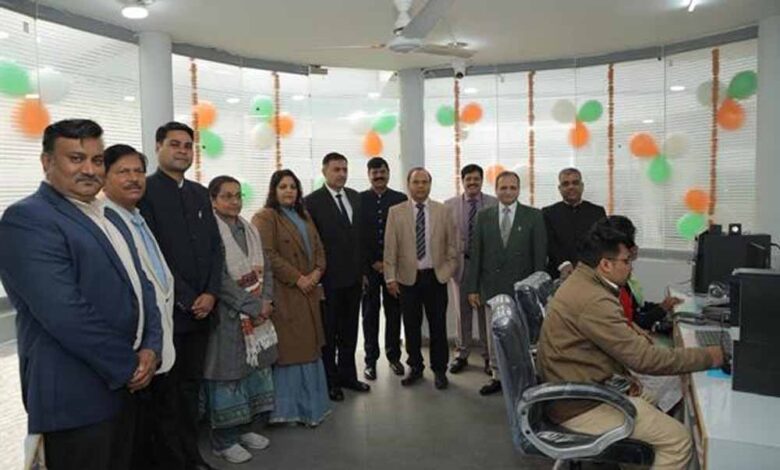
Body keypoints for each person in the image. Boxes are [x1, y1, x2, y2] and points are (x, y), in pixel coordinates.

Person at [0, 119, 161, 470]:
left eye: (97, 159)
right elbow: (66, 314)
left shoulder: (108, 215)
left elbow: (143, 284)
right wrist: (130, 365)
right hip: (77, 398)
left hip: (125, 387)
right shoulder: (27, 219)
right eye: (76, 158)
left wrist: (152, 346)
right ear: (47, 162)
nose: (89, 169)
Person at [536, 221, 724, 469]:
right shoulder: (593, 299)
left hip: (581, 390)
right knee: (678, 441)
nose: (631, 267)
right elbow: (644, 359)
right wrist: (710, 356)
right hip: (580, 406)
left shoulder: (585, 281)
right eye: (626, 261)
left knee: (662, 394)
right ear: (605, 264)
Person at [138, 121, 223, 470]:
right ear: (158, 147)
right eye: (175, 144)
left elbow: (215, 248)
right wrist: (189, 299)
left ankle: (192, 456)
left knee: (190, 390)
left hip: (204, 312)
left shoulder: (200, 193)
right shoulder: (145, 192)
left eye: (188, 146)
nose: (183, 151)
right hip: (169, 315)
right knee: (166, 395)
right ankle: (173, 461)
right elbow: (154, 254)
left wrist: (212, 293)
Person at [100, 144, 176, 470]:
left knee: (153, 433)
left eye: (138, 171)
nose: (134, 178)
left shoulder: (136, 217)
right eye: (123, 172)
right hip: (132, 351)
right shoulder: (105, 222)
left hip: (155, 344)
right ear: (103, 178)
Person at [201, 176, 275, 464]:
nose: (234, 201)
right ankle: (223, 441)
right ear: (213, 200)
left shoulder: (249, 228)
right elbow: (217, 278)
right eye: (227, 196)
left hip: (257, 317)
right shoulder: (210, 230)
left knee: (253, 373)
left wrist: (266, 300)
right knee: (227, 376)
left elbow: (266, 268)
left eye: (238, 195)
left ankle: (245, 429)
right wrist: (253, 305)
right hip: (227, 318)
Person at [253, 169, 331, 427]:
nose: (289, 191)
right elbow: (267, 255)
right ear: (273, 190)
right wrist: (298, 278)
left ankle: (312, 407)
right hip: (286, 293)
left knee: (310, 348)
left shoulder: (303, 215)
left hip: (309, 292)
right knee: (291, 351)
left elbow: (319, 248)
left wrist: (317, 272)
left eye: (293, 187)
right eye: (283, 186)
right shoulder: (266, 217)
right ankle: (288, 411)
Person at [464, 171, 547, 395]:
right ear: (496, 190)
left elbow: (539, 258)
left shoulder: (534, 216)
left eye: (512, 188)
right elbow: (476, 254)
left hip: (522, 290)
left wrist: (536, 292)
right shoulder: (483, 216)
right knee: (495, 337)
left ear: (519, 190)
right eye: (503, 188)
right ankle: (497, 377)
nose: (508, 192)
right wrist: (473, 288)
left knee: (523, 336)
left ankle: (524, 379)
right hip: (492, 287)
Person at [384, 167, 457, 390]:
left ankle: (439, 370)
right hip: (407, 280)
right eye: (416, 182)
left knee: (438, 327)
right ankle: (415, 367)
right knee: (411, 327)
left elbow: (452, 246)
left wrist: (446, 271)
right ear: (409, 185)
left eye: (425, 182)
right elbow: (390, 248)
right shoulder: (396, 212)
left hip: (435, 278)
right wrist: (390, 278)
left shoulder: (443, 211)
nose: (420, 186)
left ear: (430, 185)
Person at [304, 152, 369, 401]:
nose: (341, 174)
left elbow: (360, 238)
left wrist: (363, 272)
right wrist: (317, 278)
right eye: (336, 169)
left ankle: (348, 376)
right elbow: (312, 245)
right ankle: (330, 381)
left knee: (350, 331)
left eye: (344, 169)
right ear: (324, 172)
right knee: (329, 334)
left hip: (354, 280)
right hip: (328, 281)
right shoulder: (311, 202)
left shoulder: (355, 197)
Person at [445, 164, 497, 376]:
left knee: (486, 312)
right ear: (463, 181)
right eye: (469, 179)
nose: (473, 182)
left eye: (476, 179)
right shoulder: (449, 205)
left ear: (482, 181)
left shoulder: (494, 203)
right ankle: (462, 353)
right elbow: (445, 237)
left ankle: (488, 356)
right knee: (462, 312)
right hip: (462, 265)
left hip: (486, 267)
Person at [358, 157, 408, 380]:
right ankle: (370, 361)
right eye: (374, 173)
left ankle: (394, 357)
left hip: (394, 268)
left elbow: (404, 235)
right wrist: (371, 263)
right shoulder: (359, 200)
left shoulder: (400, 199)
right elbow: (357, 236)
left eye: (382, 172)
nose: (379, 176)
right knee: (369, 315)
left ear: (388, 173)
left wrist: (389, 264)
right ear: (369, 175)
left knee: (394, 313)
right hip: (369, 269)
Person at [605, 215, 682, 331]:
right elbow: (634, 322)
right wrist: (662, 308)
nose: (635, 247)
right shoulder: (613, 284)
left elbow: (637, 307)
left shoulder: (622, 278)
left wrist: (663, 306)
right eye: (630, 243)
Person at [543, 168, 606, 279]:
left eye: (575, 183)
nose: (571, 187)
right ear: (560, 188)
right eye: (566, 184)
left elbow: (602, 241)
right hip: (558, 274)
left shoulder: (597, 212)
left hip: (591, 272)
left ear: (582, 186)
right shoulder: (547, 213)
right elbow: (549, 243)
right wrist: (564, 264)